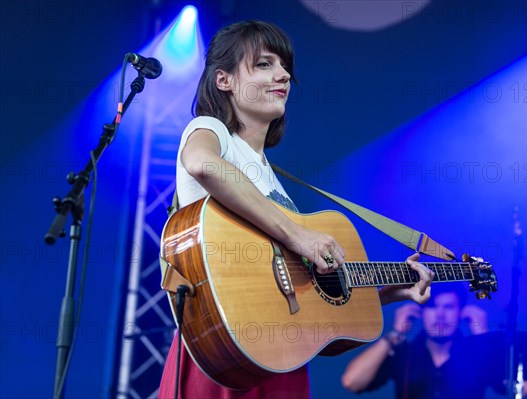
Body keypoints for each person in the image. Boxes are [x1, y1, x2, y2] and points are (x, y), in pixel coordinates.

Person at [157, 20, 435, 399]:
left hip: (279, 356)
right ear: (224, 81)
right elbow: (202, 163)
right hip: (225, 347)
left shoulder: (273, 181)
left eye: (284, 66)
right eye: (264, 64)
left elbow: (307, 299)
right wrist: (298, 234)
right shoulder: (212, 132)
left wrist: (387, 292)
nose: (284, 75)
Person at [342, 284, 527, 398]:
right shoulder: (405, 354)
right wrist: (395, 334)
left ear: (461, 313)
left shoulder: (478, 354)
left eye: (449, 307)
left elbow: (525, 386)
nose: (441, 315)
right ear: (420, 311)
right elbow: (352, 381)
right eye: (433, 306)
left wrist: (483, 337)